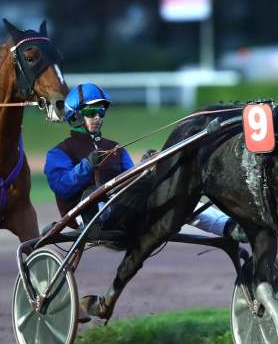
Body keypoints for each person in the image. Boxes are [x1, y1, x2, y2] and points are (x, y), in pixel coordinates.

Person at [44, 82, 247, 242]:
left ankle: (230, 227)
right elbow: (62, 187)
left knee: (178, 196)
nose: (97, 117)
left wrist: (145, 166)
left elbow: (131, 181)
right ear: (76, 116)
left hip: (122, 209)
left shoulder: (116, 148)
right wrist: (86, 166)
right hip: (92, 219)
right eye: (90, 112)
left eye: (101, 112)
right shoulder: (58, 153)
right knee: (172, 198)